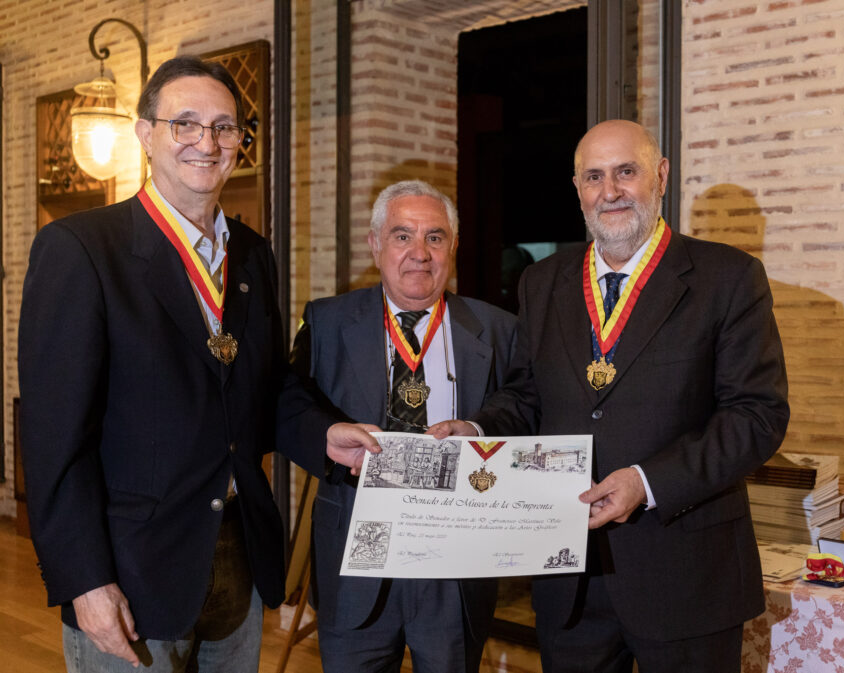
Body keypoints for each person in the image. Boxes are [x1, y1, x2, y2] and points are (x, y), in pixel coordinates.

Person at [18, 55, 374, 673]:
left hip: (237, 555)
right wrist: (84, 581)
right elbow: (54, 440)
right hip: (130, 569)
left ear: (239, 140)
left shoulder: (254, 253)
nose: (205, 143)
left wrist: (323, 433)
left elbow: (263, 389)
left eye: (224, 127)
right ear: (145, 133)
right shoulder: (80, 249)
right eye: (185, 123)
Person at [431, 119, 790, 673]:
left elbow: (756, 417)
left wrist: (646, 482)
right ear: (577, 189)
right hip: (568, 577)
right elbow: (528, 395)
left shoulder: (729, 278)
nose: (611, 190)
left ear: (661, 176)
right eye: (594, 177)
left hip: (685, 574)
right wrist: (476, 429)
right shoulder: (543, 282)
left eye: (627, 171)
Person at [276, 179, 519, 673]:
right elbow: (286, 403)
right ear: (375, 243)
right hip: (357, 557)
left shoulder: (497, 328)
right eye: (402, 235)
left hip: (453, 562)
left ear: (453, 246)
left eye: (435, 237)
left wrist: (476, 428)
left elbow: (523, 404)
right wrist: (325, 436)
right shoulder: (325, 321)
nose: (419, 253)